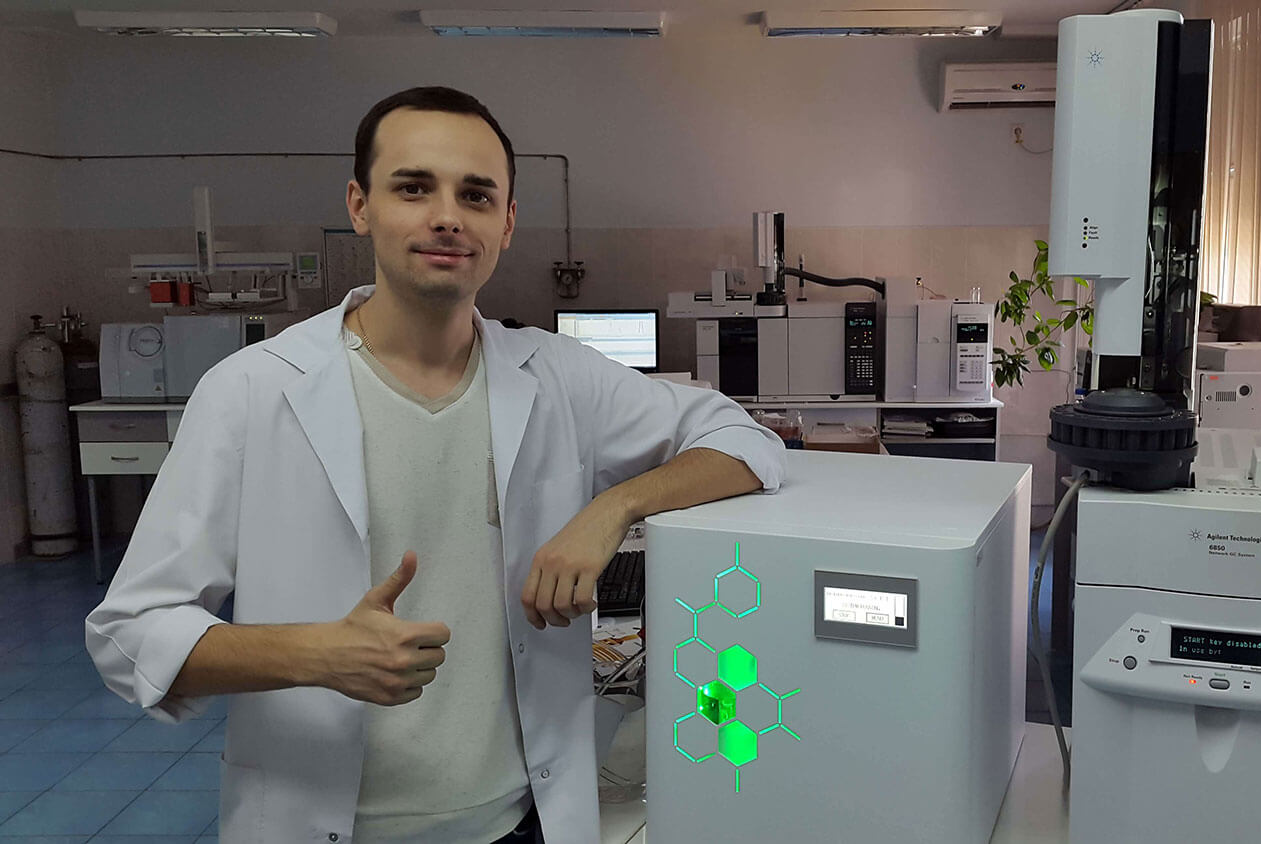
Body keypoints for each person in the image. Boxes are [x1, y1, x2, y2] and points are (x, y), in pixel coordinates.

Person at [85, 86, 786, 844]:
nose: (448, 215)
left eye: (476, 195)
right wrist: (316, 654)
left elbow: (745, 440)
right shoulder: (253, 391)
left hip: (522, 822)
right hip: (320, 823)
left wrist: (610, 511)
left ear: (507, 223)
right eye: (414, 187)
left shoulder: (560, 378)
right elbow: (130, 633)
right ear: (361, 205)